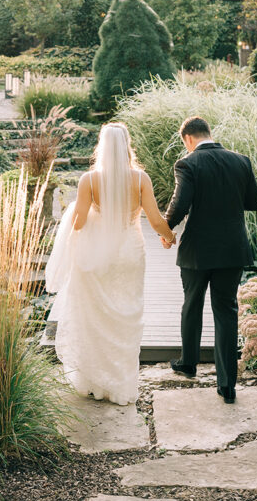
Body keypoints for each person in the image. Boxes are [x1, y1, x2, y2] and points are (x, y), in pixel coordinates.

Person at [45, 123, 175, 405]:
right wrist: (169, 237)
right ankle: (121, 385)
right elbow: (154, 219)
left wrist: (78, 212)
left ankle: (95, 383)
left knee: (96, 317)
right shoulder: (141, 179)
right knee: (127, 317)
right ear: (127, 145)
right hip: (130, 253)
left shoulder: (89, 180)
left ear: (101, 147)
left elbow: (78, 222)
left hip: (97, 257)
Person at [162, 117, 257, 404]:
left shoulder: (187, 163)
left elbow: (179, 204)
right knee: (227, 311)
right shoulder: (241, 161)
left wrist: (166, 231)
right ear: (208, 134)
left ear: (188, 139)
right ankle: (228, 384)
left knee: (192, 303)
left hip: (197, 250)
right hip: (232, 249)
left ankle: (189, 363)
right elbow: (253, 203)